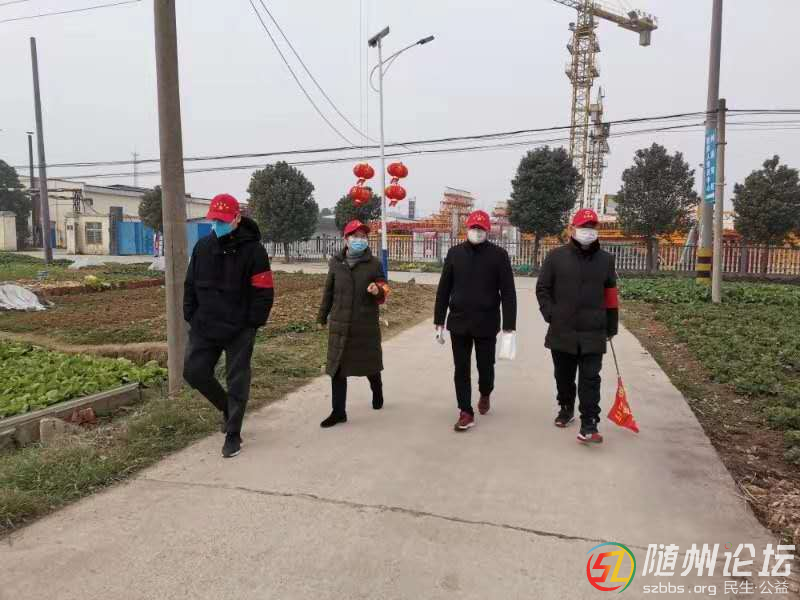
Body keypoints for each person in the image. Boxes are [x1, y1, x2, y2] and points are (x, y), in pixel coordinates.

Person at [183, 193, 274, 458]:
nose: (218, 225)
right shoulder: (202, 247)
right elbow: (190, 284)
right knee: (194, 372)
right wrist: (191, 315)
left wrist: (252, 323)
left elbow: (263, 291)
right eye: (215, 220)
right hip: (205, 324)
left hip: (239, 328)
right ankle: (226, 408)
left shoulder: (254, 251)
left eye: (223, 220)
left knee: (237, 380)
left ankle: (233, 433)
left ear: (237, 218)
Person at [535, 208, 619, 444]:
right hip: (563, 329)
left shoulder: (606, 260)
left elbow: (611, 294)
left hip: (593, 330)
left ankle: (589, 423)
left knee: (591, 378)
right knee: (563, 376)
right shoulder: (556, 257)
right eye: (583, 227)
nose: (588, 231)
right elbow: (542, 288)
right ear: (572, 229)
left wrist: (611, 326)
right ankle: (566, 406)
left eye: (592, 227)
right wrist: (551, 314)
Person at [434, 210, 517, 432]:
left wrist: (509, 326)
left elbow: (508, 292)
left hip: (486, 322)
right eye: (474, 228)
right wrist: (439, 320)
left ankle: (485, 392)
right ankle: (465, 411)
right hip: (459, 321)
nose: (477, 232)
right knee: (461, 368)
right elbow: (443, 289)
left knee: (485, 367)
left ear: (487, 231)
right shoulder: (454, 254)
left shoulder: (499, 256)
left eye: (481, 229)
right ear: (467, 229)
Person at [318, 220, 390, 428]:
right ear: (346, 239)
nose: (359, 240)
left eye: (363, 236)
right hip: (340, 324)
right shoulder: (336, 263)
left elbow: (385, 288)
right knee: (337, 368)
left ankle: (377, 390)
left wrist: (377, 290)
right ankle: (338, 412)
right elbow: (328, 291)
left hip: (364, 323)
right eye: (355, 236)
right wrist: (322, 316)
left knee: (370, 365)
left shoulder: (374, 263)